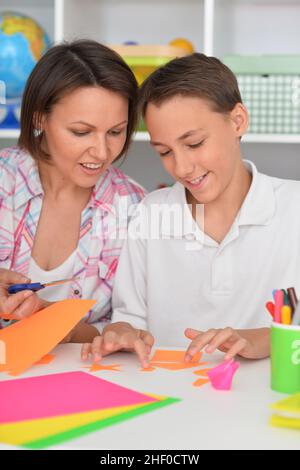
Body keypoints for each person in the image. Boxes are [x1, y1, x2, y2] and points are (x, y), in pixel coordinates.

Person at [82, 53, 300, 366]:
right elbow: (128, 318)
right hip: (168, 401)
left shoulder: (294, 209)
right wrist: (122, 332)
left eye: (194, 143)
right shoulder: (150, 214)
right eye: (165, 152)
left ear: (238, 121)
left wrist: (266, 338)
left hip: (268, 402)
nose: (182, 167)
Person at [0, 40, 145, 340]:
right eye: (81, 132)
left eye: (116, 132)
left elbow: (124, 325)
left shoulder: (132, 205)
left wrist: (52, 321)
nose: (102, 152)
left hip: (79, 380)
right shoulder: (4, 181)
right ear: (40, 117)